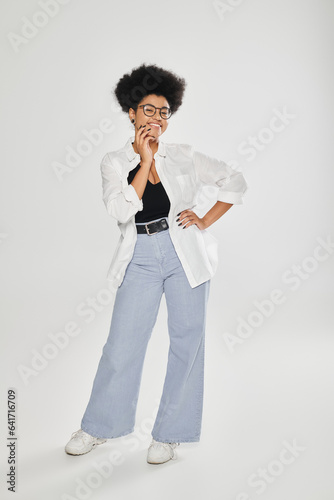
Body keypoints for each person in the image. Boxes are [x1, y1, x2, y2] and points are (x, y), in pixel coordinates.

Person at [65, 63, 248, 465]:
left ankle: (170, 434)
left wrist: (204, 219)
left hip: (184, 252)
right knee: (122, 344)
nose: (158, 119)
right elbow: (120, 209)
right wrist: (145, 160)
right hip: (141, 257)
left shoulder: (184, 156)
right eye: (149, 110)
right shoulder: (113, 162)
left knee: (187, 342)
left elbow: (235, 181)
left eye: (164, 112)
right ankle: (99, 426)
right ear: (131, 112)